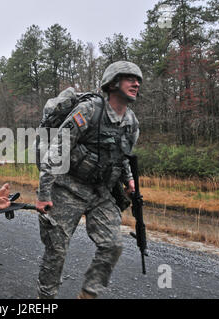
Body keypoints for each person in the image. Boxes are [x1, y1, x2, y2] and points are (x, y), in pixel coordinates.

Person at [35, 61, 142, 299]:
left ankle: (88, 294)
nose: (136, 83)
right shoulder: (89, 111)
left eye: (138, 80)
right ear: (113, 83)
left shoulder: (131, 123)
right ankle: (45, 299)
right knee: (56, 251)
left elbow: (122, 157)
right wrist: (44, 194)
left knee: (113, 245)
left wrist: (129, 181)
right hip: (67, 189)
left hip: (100, 193)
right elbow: (58, 150)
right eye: (130, 79)